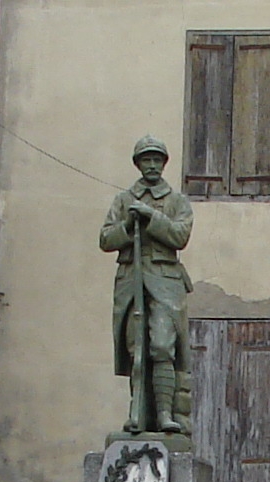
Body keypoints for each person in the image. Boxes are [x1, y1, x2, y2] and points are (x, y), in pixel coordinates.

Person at [100, 135, 193, 433]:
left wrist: (151, 216)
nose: (151, 165)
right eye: (146, 159)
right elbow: (105, 239)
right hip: (132, 281)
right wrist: (128, 224)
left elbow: (180, 236)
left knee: (163, 345)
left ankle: (166, 415)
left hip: (165, 283)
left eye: (156, 160)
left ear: (164, 164)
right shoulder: (123, 200)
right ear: (138, 164)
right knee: (136, 349)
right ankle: (138, 412)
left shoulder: (177, 201)